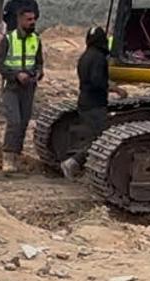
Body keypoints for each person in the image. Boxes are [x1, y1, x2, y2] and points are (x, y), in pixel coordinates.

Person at [0, 6, 42, 173]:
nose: (32, 22)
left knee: (23, 123)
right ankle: (7, 157)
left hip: (29, 88)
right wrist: (16, 75)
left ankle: (16, 156)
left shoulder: (36, 39)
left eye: (34, 19)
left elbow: (39, 61)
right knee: (14, 121)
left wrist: (38, 73)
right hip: (12, 87)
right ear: (20, 20)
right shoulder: (8, 39)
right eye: (29, 19)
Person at [61, 26, 110, 179]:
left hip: (85, 101)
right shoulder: (99, 58)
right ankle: (73, 162)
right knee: (103, 140)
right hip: (95, 103)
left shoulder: (85, 56)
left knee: (96, 137)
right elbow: (97, 81)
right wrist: (112, 87)